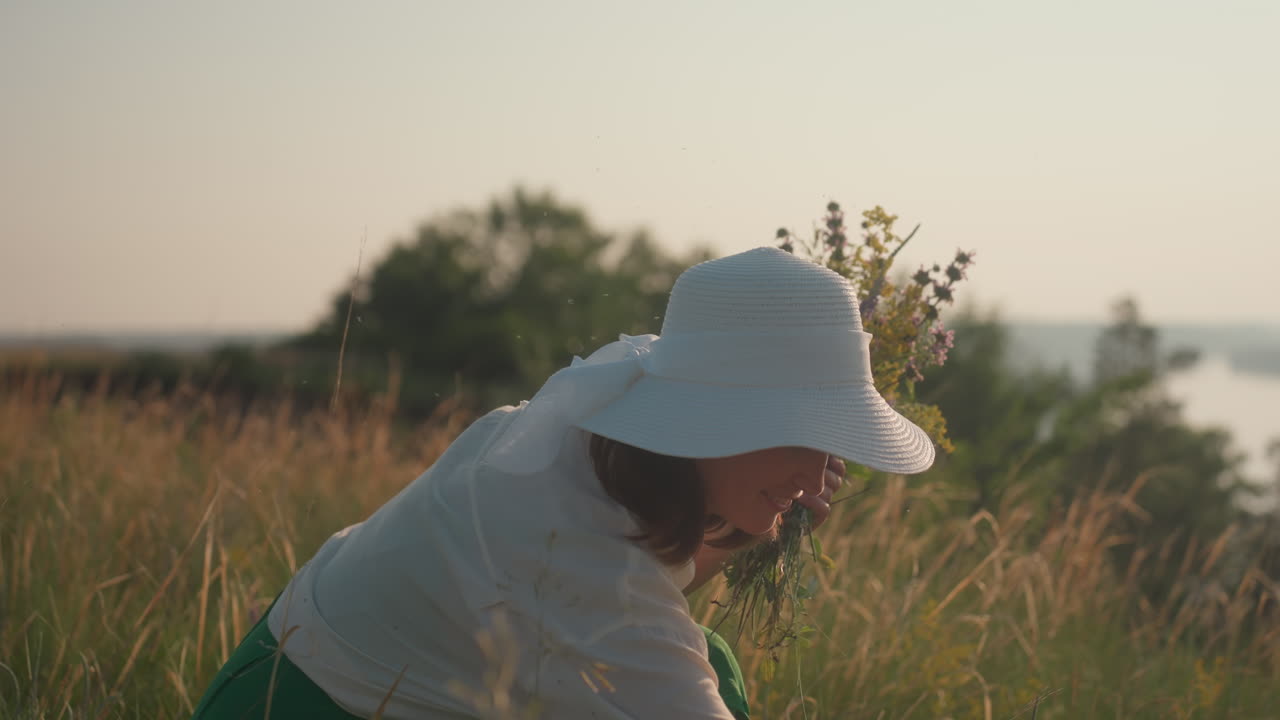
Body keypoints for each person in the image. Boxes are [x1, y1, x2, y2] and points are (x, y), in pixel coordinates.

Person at [191, 246, 936, 719]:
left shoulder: (592, 429)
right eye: (805, 435)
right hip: (298, 704)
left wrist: (750, 523)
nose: (820, 473)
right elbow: (615, 604)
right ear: (716, 423)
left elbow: (636, 596)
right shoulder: (561, 526)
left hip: (325, 667)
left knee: (711, 658)